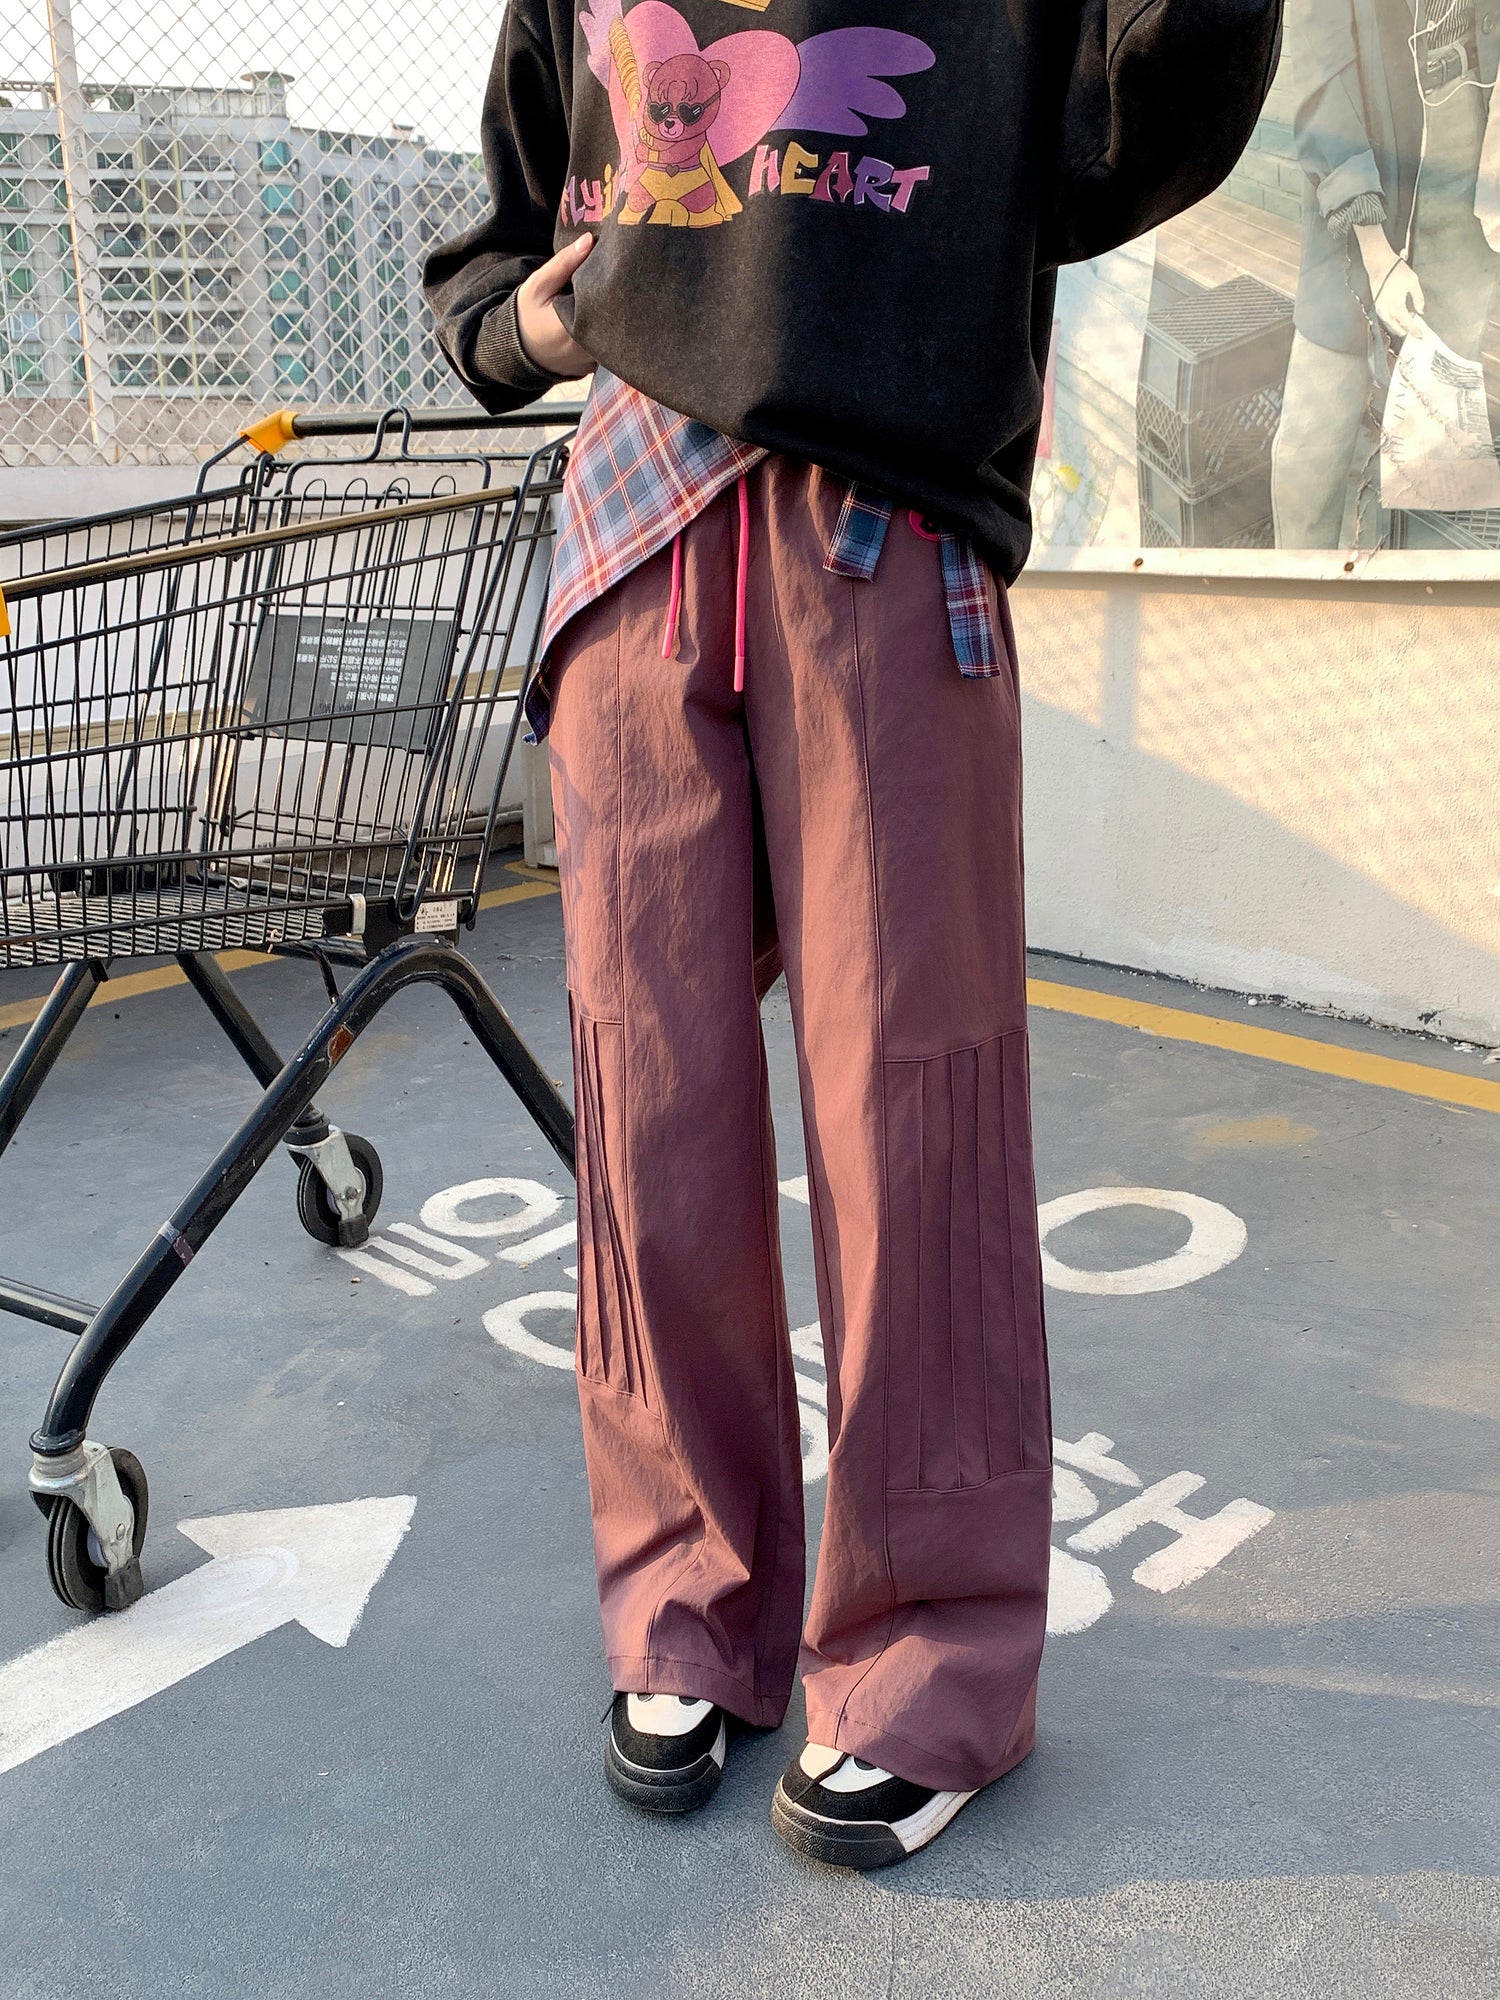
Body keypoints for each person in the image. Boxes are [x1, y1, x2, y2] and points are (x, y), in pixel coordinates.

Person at [426, 0, 1282, 1869]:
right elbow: (490, 254)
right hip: (633, 536)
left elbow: (1129, 136)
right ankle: (686, 1600)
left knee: (917, 1120)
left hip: (888, 536)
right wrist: (534, 329)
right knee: (650, 1112)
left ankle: (930, 1657)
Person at [1273, 0, 1500, 547]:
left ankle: (1408, 577)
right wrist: (1375, 251)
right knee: (1318, 423)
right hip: (1366, 169)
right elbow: (1320, 74)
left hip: (1467, 169)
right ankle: (1297, 584)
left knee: (1438, 420)